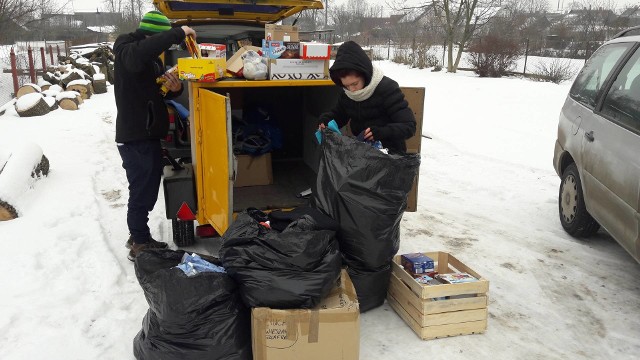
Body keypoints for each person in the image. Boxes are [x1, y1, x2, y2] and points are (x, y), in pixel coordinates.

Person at [113, 10, 196, 261]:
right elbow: (137, 55)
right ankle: (139, 241)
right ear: (152, 35)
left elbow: (155, 92)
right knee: (141, 190)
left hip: (149, 135)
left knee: (148, 189)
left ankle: (140, 236)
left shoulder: (152, 60)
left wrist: (174, 88)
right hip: (134, 136)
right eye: (163, 39)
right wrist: (179, 32)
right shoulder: (126, 47)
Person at [318, 41, 416, 154]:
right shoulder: (347, 93)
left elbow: (409, 126)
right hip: (363, 152)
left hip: (390, 154)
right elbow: (339, 115)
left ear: (365, 74)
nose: (351, 90)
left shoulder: (387, 89)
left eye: (354, 84)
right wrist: (325, 121)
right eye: (346, 85)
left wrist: (382, 132)